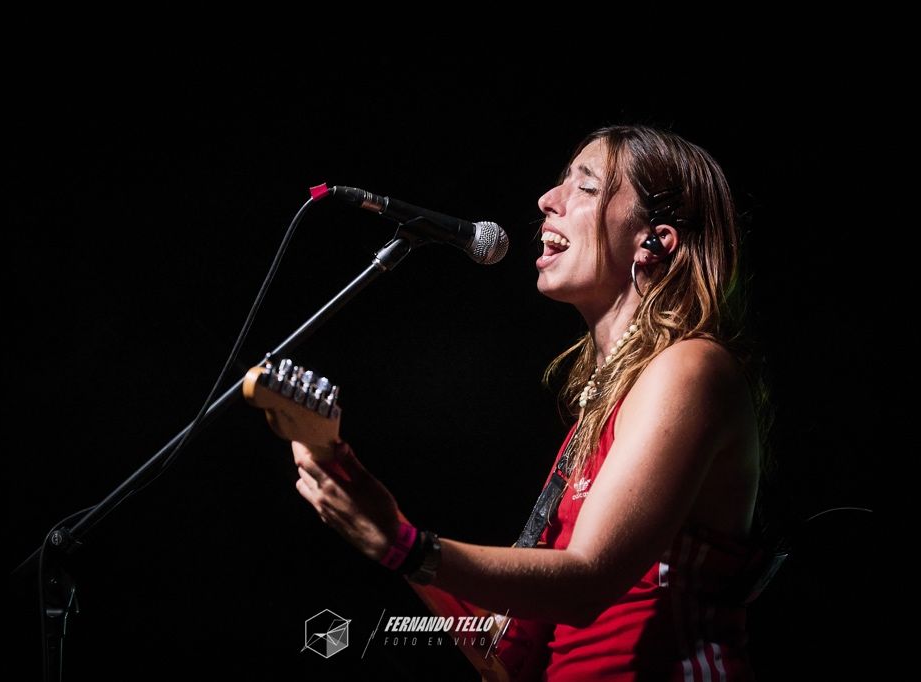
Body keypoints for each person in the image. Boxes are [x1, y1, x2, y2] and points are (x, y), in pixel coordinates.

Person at [292, 125, 768, 681]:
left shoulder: (691, 366)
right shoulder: (599, 411)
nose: (546, 200)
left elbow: (587, 583)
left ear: (654, 241)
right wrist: (390, 535)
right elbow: (507, 653)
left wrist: (409, 547)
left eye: (586, 187)